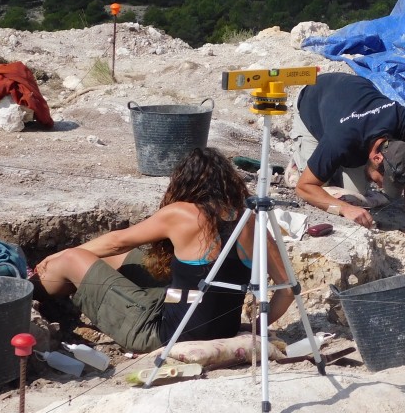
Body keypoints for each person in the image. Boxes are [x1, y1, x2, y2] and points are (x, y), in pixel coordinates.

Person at [32, 147, 292, 353]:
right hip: (220, 325)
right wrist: (251, 327)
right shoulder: (251, 221)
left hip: (163, 332)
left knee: (70, 259)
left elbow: (117, 240)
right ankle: (63, 298)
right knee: (122, 259)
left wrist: (54, 256)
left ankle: (32, 293)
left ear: (185, 183)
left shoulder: (183, 213)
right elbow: (287, 289)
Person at [290, 72, 405, 254]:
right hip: (313, 100)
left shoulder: (404, 123)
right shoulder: (341, 139)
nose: (381, 186)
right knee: (323, 188)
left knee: (354, 195)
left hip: (352, 110)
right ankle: (298, 164)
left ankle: (331, 165)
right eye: (382, 180)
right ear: (377, 158)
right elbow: (304, 187)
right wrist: (345, 209)